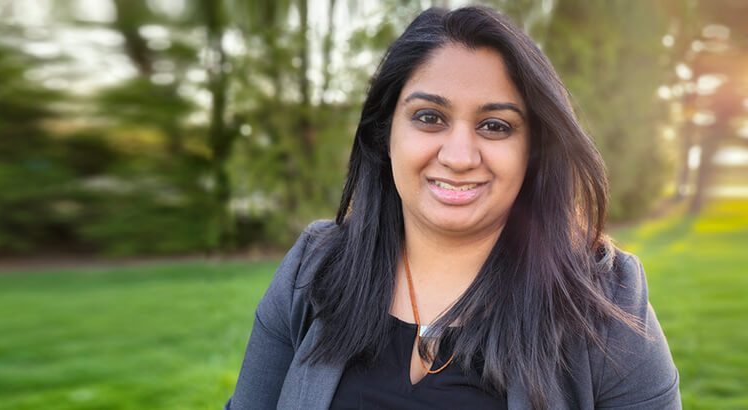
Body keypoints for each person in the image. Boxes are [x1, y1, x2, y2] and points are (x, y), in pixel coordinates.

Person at [225, 6, 679, 410]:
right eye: (429, 117)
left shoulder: (608, 303)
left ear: (533, 150)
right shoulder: (314, 269)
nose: (460, 156)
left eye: (495, 125)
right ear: (385, 135)